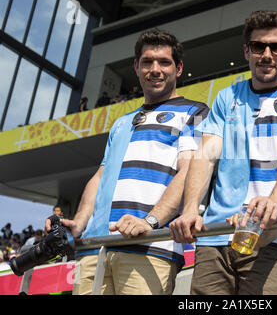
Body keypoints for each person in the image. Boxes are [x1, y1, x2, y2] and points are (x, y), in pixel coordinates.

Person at [169, 10, 277, 295]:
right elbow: (205, 155)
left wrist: (273, 206)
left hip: (271, 235)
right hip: (215, 236)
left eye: (276, 47)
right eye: (258, 46)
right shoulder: (226, 96)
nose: (267, 54)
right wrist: (190, 209)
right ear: (246, 51)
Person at [46, 29, 209, 295]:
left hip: (150, 247)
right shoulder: (121, 122)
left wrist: (151, 221)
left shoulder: (195, 112)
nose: (155, 69)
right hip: (93, 249)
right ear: (136, 67)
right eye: (147, 62)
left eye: (164, 62)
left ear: (178, 68)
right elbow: (101, 176)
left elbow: (190, 171)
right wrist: (79, 222)